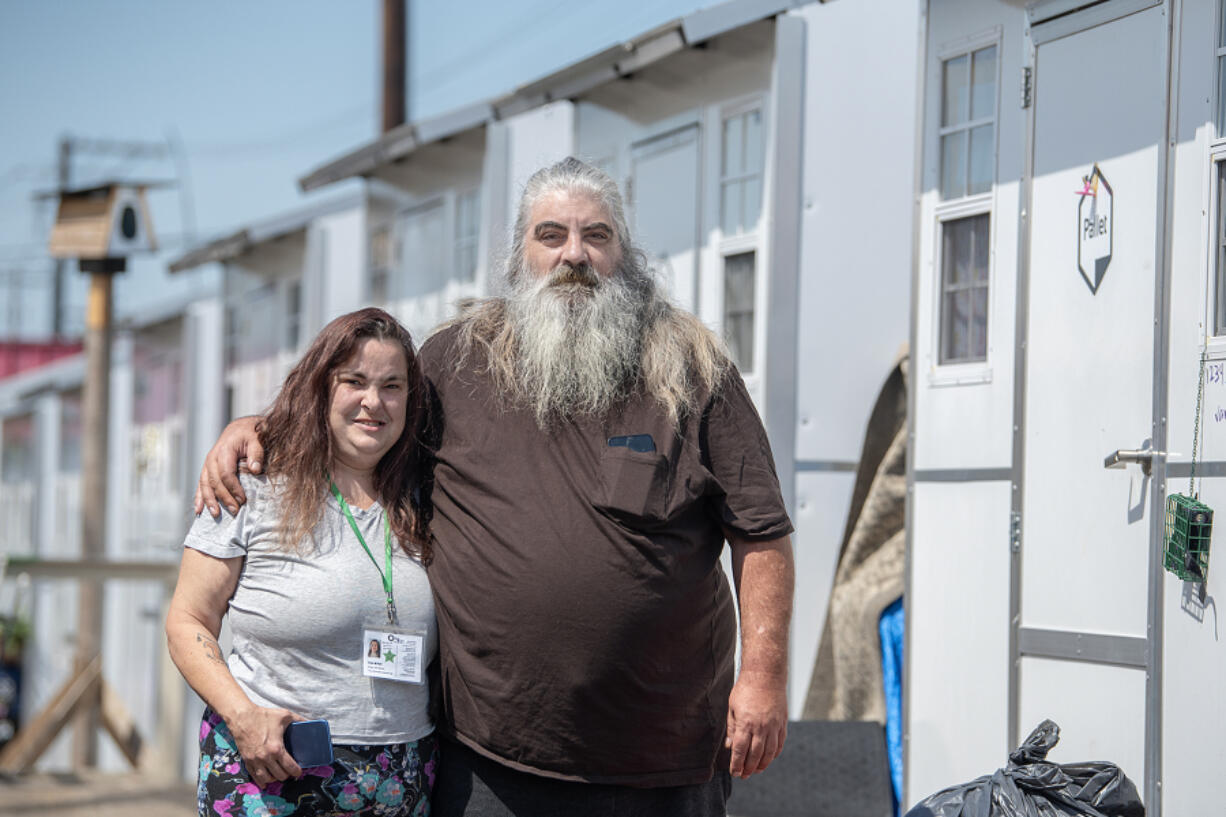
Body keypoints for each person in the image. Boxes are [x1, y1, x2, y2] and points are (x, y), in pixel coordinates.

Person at [197, 157, 795, 817]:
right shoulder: (453, 362)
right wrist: (259, 426)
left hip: (663, 758)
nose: (575, 254)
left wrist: (763, 677)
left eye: (596, 235)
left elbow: (761, 531)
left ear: (625, 253)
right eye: (552, 235)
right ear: (520, 254)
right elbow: (367, 420)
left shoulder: (695, 370)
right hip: (489, 761)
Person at [168, 308, 439, 816]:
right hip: (274, 770)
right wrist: (242, 716)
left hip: (402, 774)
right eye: (353, 381)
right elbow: (188, 620)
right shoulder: (252, 484)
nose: (373, 402)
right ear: (320, 387)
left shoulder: (425, 497)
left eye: (392, 386)